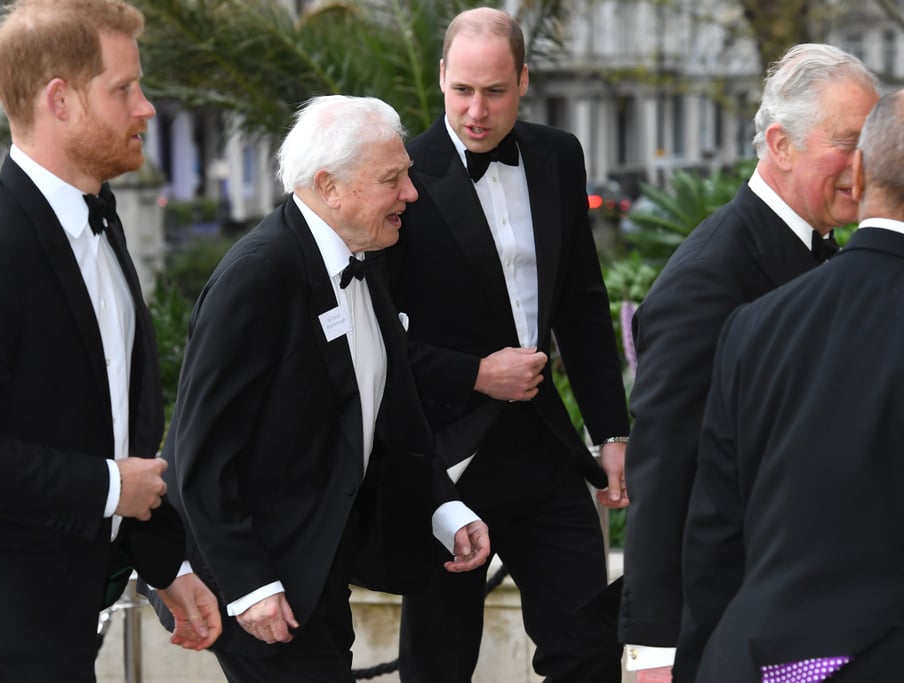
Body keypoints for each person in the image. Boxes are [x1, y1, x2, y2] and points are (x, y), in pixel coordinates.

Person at [0, 1, 222, 680]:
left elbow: (113, 427)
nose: (146, 107)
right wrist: (106, 485)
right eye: (124, 89)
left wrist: (168, 566)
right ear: (60, 101)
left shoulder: (102, 220)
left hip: (62, 624)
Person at [150, 94, 491, 683]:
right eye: (394, 178)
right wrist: (249, 584)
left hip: (319, 566)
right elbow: (200, 450)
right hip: (255, 577)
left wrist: (444, 506)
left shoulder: (364, 259)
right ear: (331, 187)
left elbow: (390, 416)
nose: (411, 193)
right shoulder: (258, 276)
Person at [619, 43, 879, 667]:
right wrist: (653, 650)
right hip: (736, 632)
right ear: (782, 146)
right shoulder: (708, 279)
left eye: (871, 144)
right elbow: (663, 474)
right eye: (847, 142)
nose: (863, 166)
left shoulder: (823, 251)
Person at [391, 8, 631, 682]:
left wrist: (611, 430)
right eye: (462, 89)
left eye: (494, 91)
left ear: (523, 81)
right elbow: (379, 339)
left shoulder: (558, 154)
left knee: (588, 644)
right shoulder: (401, 174)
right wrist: (475, 373)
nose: (475, 110)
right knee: (438, 662)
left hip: (545, 449)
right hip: (450, 460)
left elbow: (582, 305)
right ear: (441, 78)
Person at [678, 89, 904, 683]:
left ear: (860, 171)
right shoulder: (722, 287)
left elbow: (714, 536)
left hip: (759, 661)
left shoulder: (756, 325)